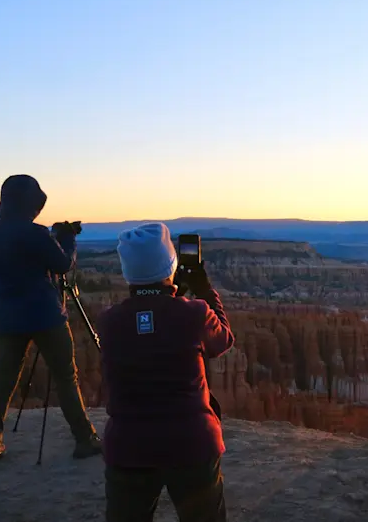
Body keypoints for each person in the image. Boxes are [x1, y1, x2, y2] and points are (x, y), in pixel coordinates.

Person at [98, 222, 234, 522]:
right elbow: (223, 340)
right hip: (192, 443)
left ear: (127, 271)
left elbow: (148, 328)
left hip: (128, 445)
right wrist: (204, 291)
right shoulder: (194, 313)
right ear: (169, 264)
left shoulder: (108, 321)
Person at [0, 174, 102, 466]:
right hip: (46, 316)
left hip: (7, 318)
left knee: (3, 381)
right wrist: (67, 240)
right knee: (66, 377)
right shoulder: (36, 234)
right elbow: (63, 264)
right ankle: (85, 439)